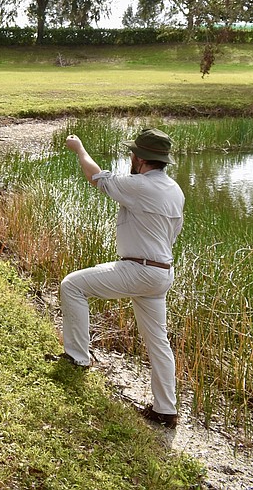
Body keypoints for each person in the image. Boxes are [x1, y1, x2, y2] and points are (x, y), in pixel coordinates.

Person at [53, 128, 185, 429]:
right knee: (158, 341)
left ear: (139, 158)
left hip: (139, 270)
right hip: (162, 272)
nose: (131, 157)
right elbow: (173, 234)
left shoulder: (139, 185)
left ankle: (77, 359)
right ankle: (166, 410)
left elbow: (96, 177)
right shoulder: (174, 190)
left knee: (72, 285)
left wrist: (79, 148)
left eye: (133, 154)